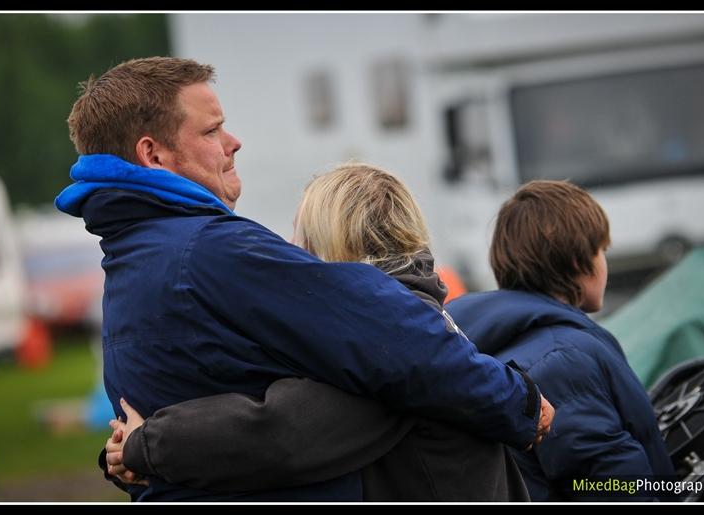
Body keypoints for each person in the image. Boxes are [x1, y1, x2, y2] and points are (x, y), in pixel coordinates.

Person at [54, 56, 551, 502]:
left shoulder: (132, 262)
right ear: (153, 154)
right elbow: (388, 349)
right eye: (212, 131)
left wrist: (139, 452)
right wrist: (516, 400)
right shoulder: (210, 250)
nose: (234, 142)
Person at [104, 164, 545, 501]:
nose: (291, 254)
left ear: (330, 242)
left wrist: (143, 447)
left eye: (299, 237)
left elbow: (279, 432)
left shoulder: (386, 349)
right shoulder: (417, 317)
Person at [445, 180, 675, 501]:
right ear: (580, 261)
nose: (604, 262)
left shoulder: (485, 342)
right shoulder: (562, 359)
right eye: (602, 250)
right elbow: (610, 485)